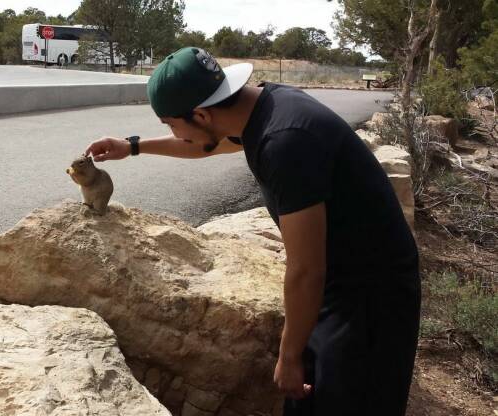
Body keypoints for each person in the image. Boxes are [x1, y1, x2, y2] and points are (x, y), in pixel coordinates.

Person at [84, 47, 420, 416]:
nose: (172, 132)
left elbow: (306, 269)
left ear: (201, 114)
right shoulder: (265, 106)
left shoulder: (285, 144)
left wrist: (289, 357)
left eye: (170, 124)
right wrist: (132, 146)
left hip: (370, 298)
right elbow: (208, 145)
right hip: (338, 283)